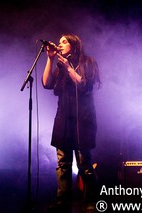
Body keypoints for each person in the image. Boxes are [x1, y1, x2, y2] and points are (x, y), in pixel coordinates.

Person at [42, 33, 101, 212]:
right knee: (63, 164)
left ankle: (90, 200)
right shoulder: (60, 66)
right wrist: (50, 60)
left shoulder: (88, 62)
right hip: (63, 118)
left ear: (74, 45)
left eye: (64, 42)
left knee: (84, 164)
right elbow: (46, 83)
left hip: (83, 119)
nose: (60, 45)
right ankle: (62, 201)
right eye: (59, 42)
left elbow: (85, 86)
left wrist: (68, 67)